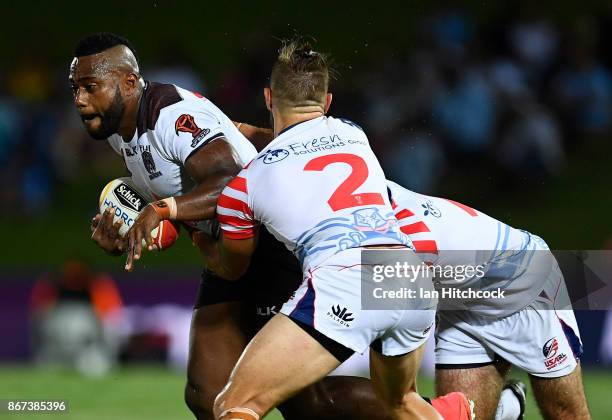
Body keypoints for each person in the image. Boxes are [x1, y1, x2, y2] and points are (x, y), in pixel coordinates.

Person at [71, 32, 465, 420]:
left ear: (127, 81)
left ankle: (443, 414)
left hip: (265, 243)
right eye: (75, 88)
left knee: (309, 403)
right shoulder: (121, 131)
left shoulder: (170, 115)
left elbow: (227, 182)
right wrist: (128, 231)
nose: (79, 100)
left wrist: (162, 211)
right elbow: (213, 159)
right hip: (230, 244)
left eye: (90, 87)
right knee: (206, 394)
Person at [196, 40, 474, 420]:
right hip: (410, 275)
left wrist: (196, 233)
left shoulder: (245, 185)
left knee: (235, 405)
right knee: (401, 402)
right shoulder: (354, 133)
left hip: (347, 278)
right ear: (327, 101)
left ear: (267, 98)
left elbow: (232, 267)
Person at [387, 180, 590, 420]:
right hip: (461, 304)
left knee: (566, 414)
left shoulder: (377, 228)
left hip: (522, 282)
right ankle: (505, 411)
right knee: (462, 415)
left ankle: (503, 410)